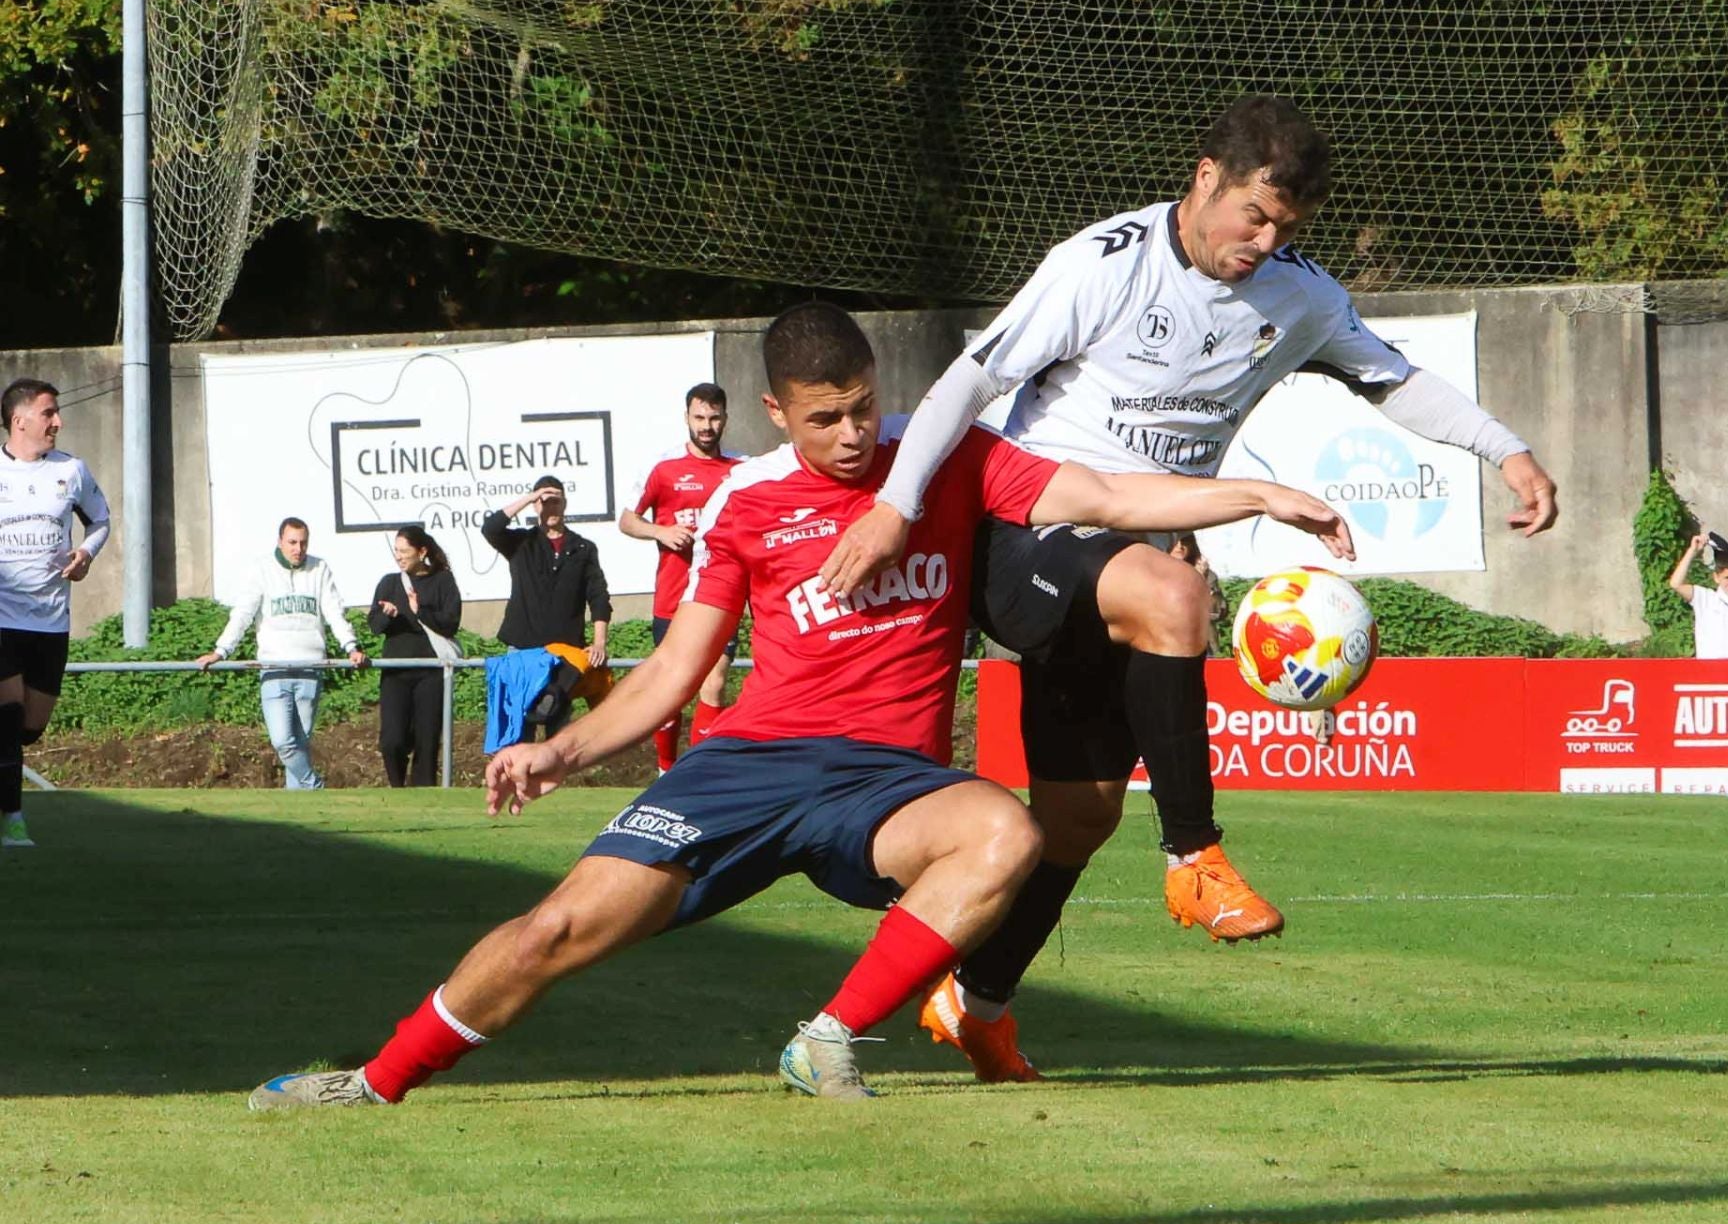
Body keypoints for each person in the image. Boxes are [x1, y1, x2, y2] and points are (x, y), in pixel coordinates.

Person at [246, 301, 1350, 1110]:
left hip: (887, 785)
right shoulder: (747, 501)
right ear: (778, 411)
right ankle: (375, 1081)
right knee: (556, 932)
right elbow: (679, 670)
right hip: (749, 766)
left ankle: (827, 1039)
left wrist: (1260, 493)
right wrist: (564, 749)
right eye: (825, 418)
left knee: (1005, 829)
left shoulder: (946, 454)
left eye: (865, 407)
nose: (855, 435)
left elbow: (1107, 496)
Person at [816, 95, 1559, 1080]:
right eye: (1252, 215)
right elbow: (969, 382)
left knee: (1078, 816)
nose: (1263, 241)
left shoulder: (1299, 295)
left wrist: (1507, 453)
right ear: (1205, 175)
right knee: (1176, 596)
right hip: (1032, 524)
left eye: (1286, 229)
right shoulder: (1104, 263)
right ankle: (1194, 857)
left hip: (1130, 557)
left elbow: (1393, 379)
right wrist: (898, 507)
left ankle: (977, 1001)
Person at [0, 378, 111, 848]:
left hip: (50, 621)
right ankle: (13, 820)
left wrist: (85, 553)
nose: (58, 422)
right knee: (7, 717)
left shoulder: (72, 471)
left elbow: (101, 520)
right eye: (49, 413)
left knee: (29, 728)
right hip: (2, 618)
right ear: (19, 420)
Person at [619, 383, 742, 771]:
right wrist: (660, 531)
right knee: (671, 690)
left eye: (714, 418)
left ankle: (699, 774)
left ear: (725, 418)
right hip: (674, 598)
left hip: (722, 597)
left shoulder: (743, 470)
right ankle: (665, 769)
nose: (707, 426)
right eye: (699, 418)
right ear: (687, 418)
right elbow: (627, 520)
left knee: (715, 682)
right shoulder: (665, 468)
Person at [196, 518, 367, 789]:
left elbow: (334, 611)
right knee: (283, 742)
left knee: (300, 743)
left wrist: (351, 646)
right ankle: (314, 786)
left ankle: (298, 807)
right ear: (280, 541)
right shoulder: (261, 570)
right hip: (274, 668)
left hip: (311, 668)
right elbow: (242, 614)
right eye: (292, 542)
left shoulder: (319, 568)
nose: (298, 549)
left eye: (303, 543)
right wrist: (221, 651)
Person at [482, 476, 611, 737]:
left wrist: (599, 642)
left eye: (556, 501)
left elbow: (598, 597)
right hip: (523, 649)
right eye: (544, 502)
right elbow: (491, 528)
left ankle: (554, 779)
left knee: (558, 731)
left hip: (564, 653)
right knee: (519, 730)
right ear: (535, 506)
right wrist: (531, 497)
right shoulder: (521, 543)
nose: (550, 508)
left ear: (565, 504)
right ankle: (519, 779)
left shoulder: (583, 548)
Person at [367, 525, 463, 786]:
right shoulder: (389, 582)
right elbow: (374, 626)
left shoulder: (443, 580)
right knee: (392, 741)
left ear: (421, 552)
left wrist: (420, 611)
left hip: (431, 673)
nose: (399, 556)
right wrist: (386, 616)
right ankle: (397, 788)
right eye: (396, 550)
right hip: (396, 673)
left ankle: (425, 794)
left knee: (427, 740)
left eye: (404, 551)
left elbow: (450, 623)